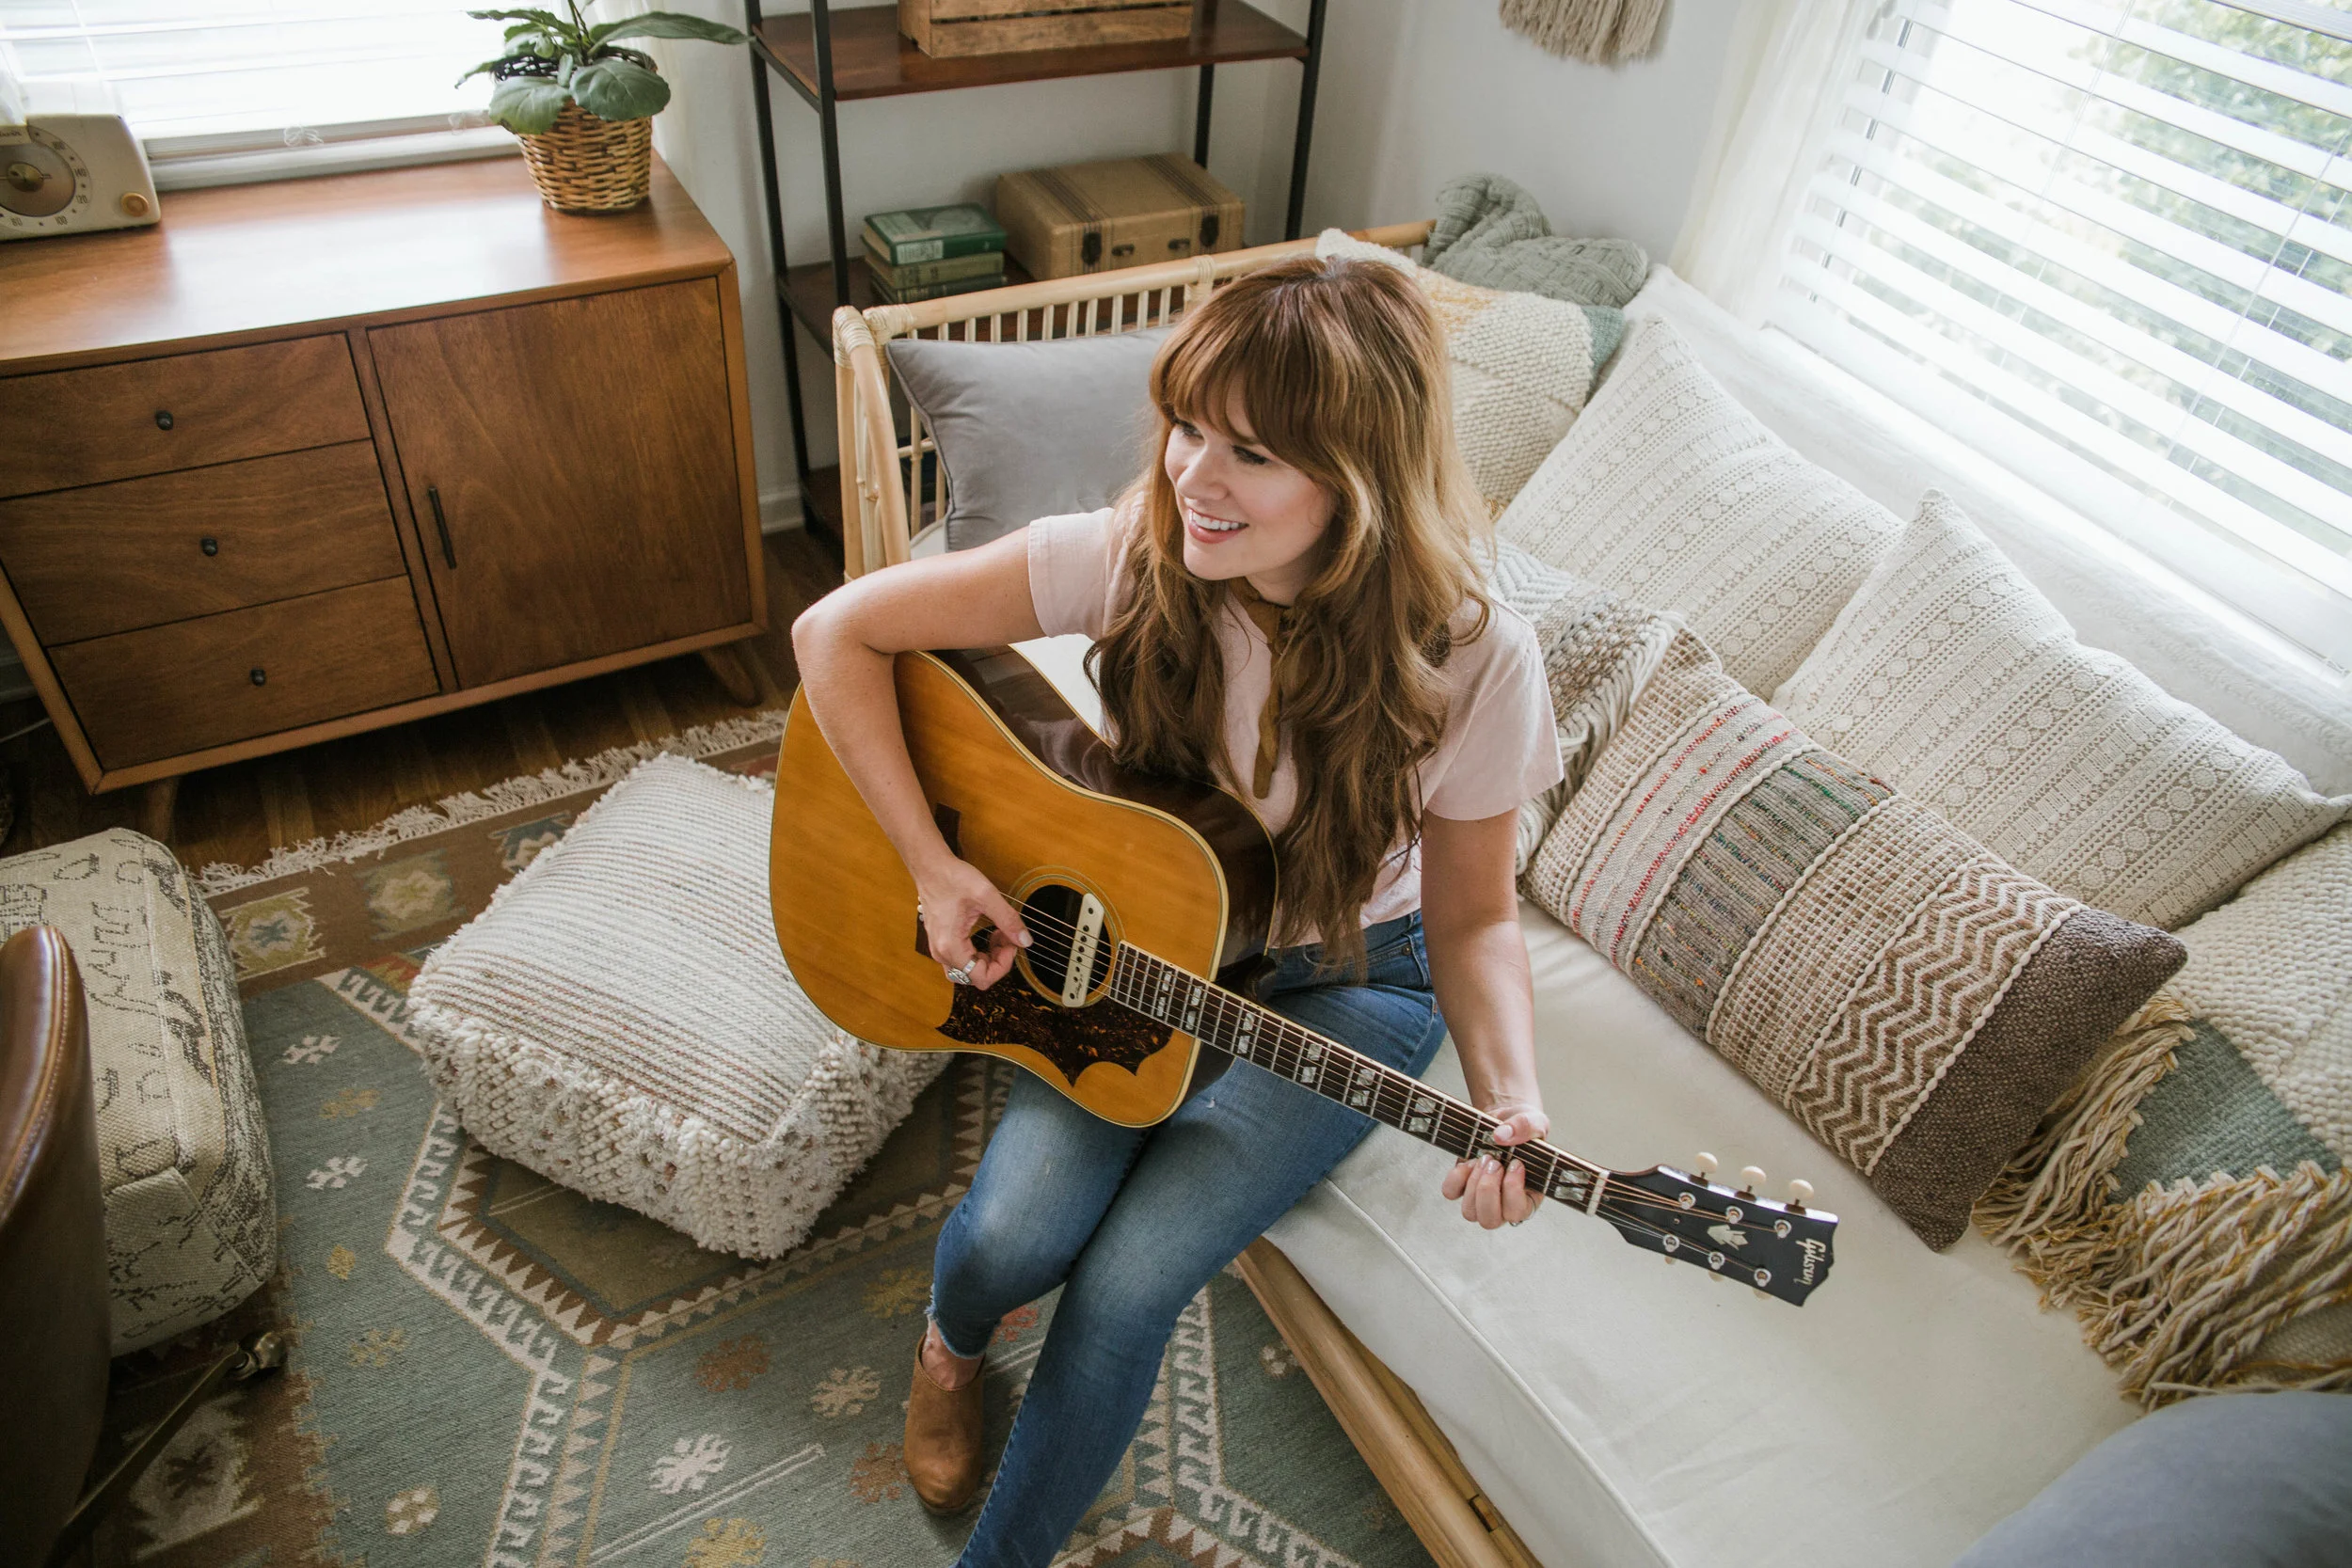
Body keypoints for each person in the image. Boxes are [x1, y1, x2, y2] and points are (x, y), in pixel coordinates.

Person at [789, 253, 1565, 1567]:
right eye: (1188, 425)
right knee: (1013, 1234)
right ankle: (950, 1342)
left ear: (1360, 479)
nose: (1194, 477)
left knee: (1131, 1284)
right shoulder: (1141, 554)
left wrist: (1516, 1093)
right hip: (1143, 942)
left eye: (1250, 452)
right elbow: (836, 632)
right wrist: (933, 866)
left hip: (1352, 974)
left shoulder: (1478, 659)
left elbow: (1477, 920)